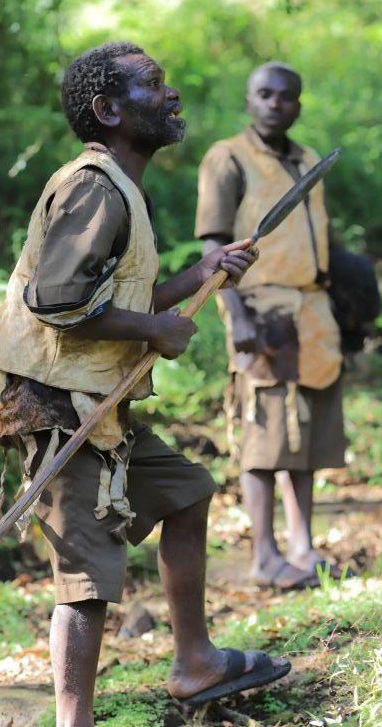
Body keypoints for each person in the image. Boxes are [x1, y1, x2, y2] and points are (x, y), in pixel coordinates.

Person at [0, 42, 290, 726]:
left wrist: (206, 272)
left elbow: (121, 293)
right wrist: (154, 330)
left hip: (96, 401)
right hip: (57, 405)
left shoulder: (122, 187)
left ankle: (194, 661)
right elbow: (57, 300)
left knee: (187, 493)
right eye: (154, 84)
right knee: (87, 583)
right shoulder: (93, 185)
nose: (171, 95)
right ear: (108, 109)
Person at [195, 61, 351, 590]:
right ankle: (264, 554)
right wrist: (234, 313)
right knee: (266, 436)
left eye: (286, 96)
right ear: (248, 100)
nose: (275, 103)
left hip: (312, 310)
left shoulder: (306, 159)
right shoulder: (228, 157)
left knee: (304, 431)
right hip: (260, 307)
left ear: (298, 105)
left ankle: (302, 547)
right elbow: (213, 242)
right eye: (264, 93)